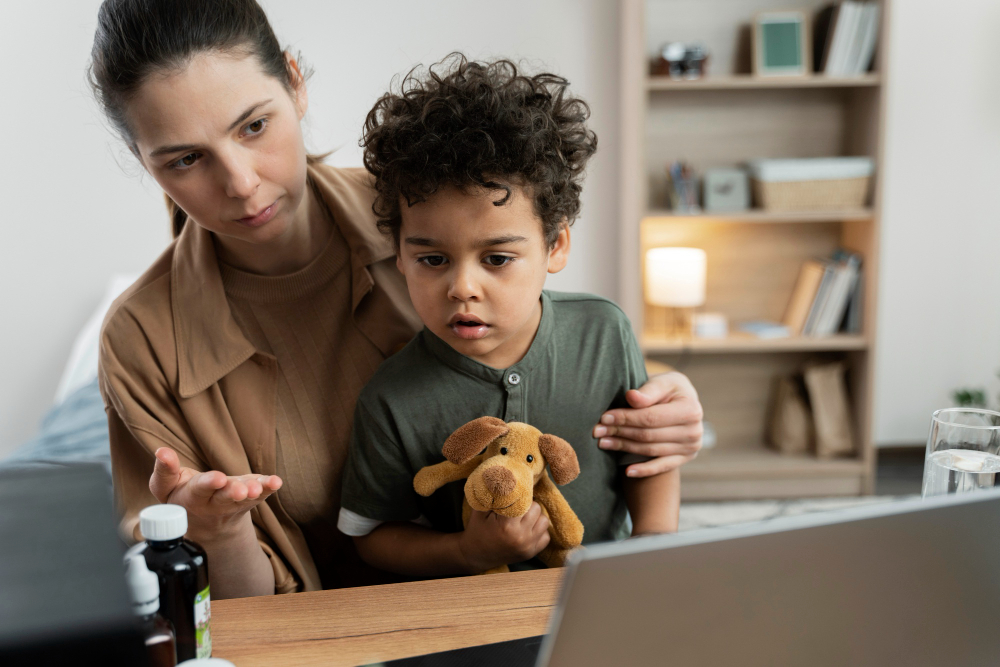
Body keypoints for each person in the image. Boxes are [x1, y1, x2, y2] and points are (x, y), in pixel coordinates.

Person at [90, 0, 704, 599]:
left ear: (295, 83)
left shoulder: (437, 198)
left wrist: (664, 410)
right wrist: (218, 534)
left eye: (254, 126)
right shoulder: (141, 342)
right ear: (145, 162)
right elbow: (234, 613)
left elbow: (571, 357)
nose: (241, 183)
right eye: (185, 160)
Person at [338, 56, 679, 576]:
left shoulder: (603, 331)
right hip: (475, 612)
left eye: (497, 259)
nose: (462, 288)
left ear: (555, 246)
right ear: (400, 255)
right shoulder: (391, 397)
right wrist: (467, 552)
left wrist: (653, 548)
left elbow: (648, 456)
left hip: (606, 593)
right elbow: (372, 537)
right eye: (432, 259)